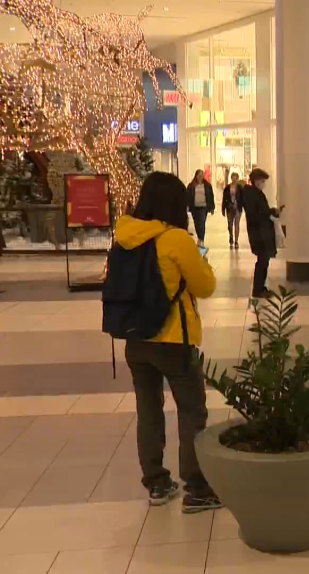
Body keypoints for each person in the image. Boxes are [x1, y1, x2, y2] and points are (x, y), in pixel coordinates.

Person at [113, 172, 221, 513]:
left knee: (148, 409)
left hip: (135, 338)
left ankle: (157, 483)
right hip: (174, 339)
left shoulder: (124, 235)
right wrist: (200, 259)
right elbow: (205, 286)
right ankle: (197, 487)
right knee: (191, 410)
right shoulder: (176, 239)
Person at [242, 168, 278, 299]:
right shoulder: (252, 195)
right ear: (256, 181)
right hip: (259, 234)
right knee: (262, 262)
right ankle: (257, 289)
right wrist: (270, 212)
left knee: (264, 261)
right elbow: (255, 214)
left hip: (262, 232)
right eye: (262, 181)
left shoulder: (257, 194)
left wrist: (271, 212)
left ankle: (261, 287)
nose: (264, 183)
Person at [186, 170, 215, 247]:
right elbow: (188, 196)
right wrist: (187, 205)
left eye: (202, 175)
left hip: (203, 207)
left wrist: (212, 207)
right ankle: (199, 238)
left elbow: (211, 196)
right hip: (194, 207)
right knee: (197, 224)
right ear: (196, 175)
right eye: (199, 175)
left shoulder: (207, 185)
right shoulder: (191, 185)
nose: (200, 177)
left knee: (202, 223)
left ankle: (201, 239)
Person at [222, 173, 244, 249]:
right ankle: (231, 236)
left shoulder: (240, 188)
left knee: (237, 224)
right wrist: (223, 209)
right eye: (233, 178)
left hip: (238, 208)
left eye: (236, 178)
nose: (234, 179)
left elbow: (243, 198)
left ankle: (236, 241)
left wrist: (243, 207)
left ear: (237, 178)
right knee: (230, 224)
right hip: (229, 207)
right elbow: (224, 199)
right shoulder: (227, 188)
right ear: (231, 178)